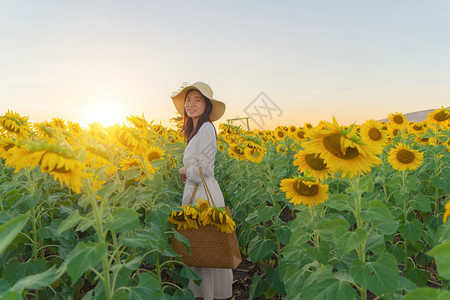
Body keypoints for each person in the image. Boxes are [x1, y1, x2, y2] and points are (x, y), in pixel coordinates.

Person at [171, 82, 233, 300]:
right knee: (202, 247)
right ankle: (207, 294)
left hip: (203, 197)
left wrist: (184, 170)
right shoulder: (196, 130)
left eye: (198, 100)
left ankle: (208, 296)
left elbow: (205, 169)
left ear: (207, 106)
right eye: (188, 99)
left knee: (205, 247)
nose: (191, 104)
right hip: (198, 194)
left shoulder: (206, 128)